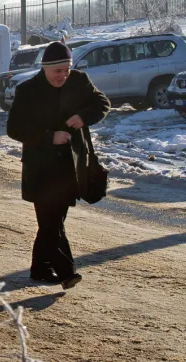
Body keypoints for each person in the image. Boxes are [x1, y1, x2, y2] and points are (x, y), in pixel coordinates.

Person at [6, 42, 110, 290]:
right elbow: (14, 128)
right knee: (51, 222)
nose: (63, 75)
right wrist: (48, 137)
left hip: (70, 167)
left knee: (53, 220)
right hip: (41, 167)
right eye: (58, 71)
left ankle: (40, 268)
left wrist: (84, 116)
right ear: (45, 68)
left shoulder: (79, 81)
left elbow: (102, 103)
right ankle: (66, 272)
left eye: (66, 69)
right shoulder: (27, 90)